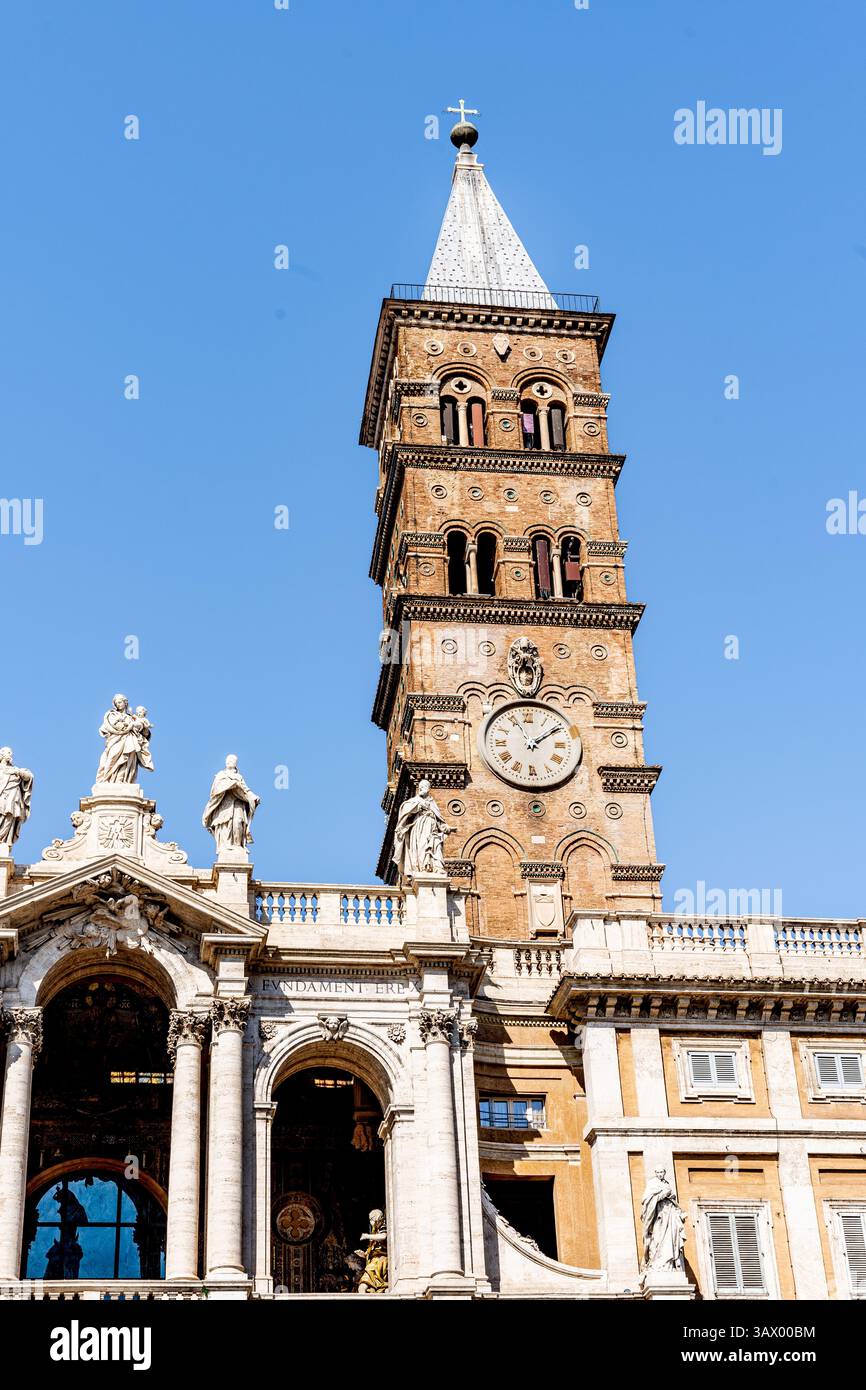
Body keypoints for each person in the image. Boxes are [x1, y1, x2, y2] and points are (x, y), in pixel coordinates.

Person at [392, 779, 451, 879]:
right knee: (422, 845)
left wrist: (444, 827)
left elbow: (439, 819)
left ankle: (433, 867)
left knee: (435, 845)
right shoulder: (415, 800)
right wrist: (418, 806)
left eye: (423, 786)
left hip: (432, 828)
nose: (421, 788)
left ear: (428, 789)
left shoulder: (432, 802)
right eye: (420, 786)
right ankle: (422, 867)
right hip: (420, 827)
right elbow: (404, 809)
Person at [0, 747, 33, 847]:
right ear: (1, 755)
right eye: (8, 753)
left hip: (12, 796)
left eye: (11, 753)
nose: (10, 755)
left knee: (9, 815)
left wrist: (19, 772)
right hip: (2, 795)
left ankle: (3, 840)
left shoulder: (16, 769)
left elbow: (29, 776)